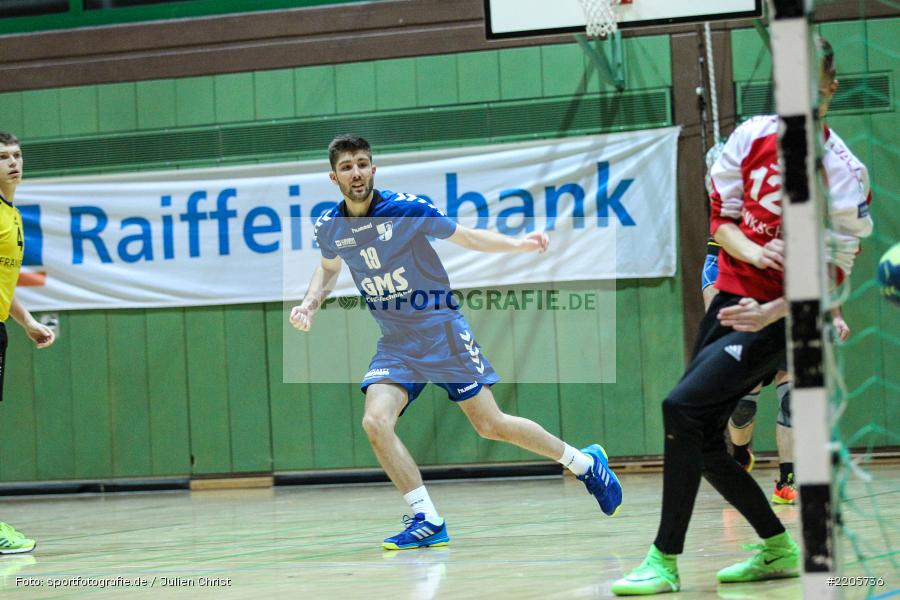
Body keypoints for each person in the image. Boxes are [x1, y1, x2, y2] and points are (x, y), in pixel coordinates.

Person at [611, 37, 873, 594]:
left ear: (828, 86)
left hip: (782, 316)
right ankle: (776, 547)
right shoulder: (750, 137)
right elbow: (722, 220)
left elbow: (837, 268)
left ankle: (664, 558)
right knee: (701, 435)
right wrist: (755, 254)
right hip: (732, 300)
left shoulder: (843, 171)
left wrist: (777, 307)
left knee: (679, 408)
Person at [290, 135, 622, 550]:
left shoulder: (407, 210)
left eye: (362, 164)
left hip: (439, 330)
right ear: (333, 176)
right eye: (347, 167)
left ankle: (584, 463)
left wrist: (518, 245)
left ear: (374, 169)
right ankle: (426, 518)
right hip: (396, 343)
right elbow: (327, 269)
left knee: (490, 425)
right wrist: (310, 304)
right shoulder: (331, 227)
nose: (355, 172)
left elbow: (465, 237)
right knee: (375, 422)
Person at [0, 132, 56, 554]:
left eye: (17, 155)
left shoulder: (12, 214)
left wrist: (27, 321)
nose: (12, 163)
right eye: (3, 157)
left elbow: (4, 284)